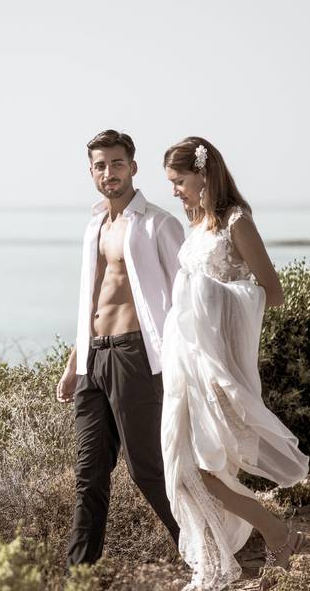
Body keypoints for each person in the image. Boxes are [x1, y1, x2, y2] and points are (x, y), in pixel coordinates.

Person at [159, 136, 310, 590]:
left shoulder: (236, 222)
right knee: (180, 468)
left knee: (203, 467)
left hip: (218, 369)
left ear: (203, 174)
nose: (174, 191)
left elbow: (272, 293)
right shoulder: (196, 224)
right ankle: (214, 564)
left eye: (179, 180)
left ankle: (272, 532)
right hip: (186, 369)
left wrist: (208, 297)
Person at [55, 129, 185, 567]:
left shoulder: (158, 224)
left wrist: (182, 360)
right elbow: (90, 299)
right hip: (93, 358)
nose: (108, 172)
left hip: (135, 355)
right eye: (99, 165)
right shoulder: (94, 225)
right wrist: (75, 361)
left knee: (147, 469)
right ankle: (79, 573)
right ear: (90, 171)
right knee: (89, 475)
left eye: (116, 163)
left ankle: (205, 549)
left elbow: (185, 298)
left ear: (132, 166)